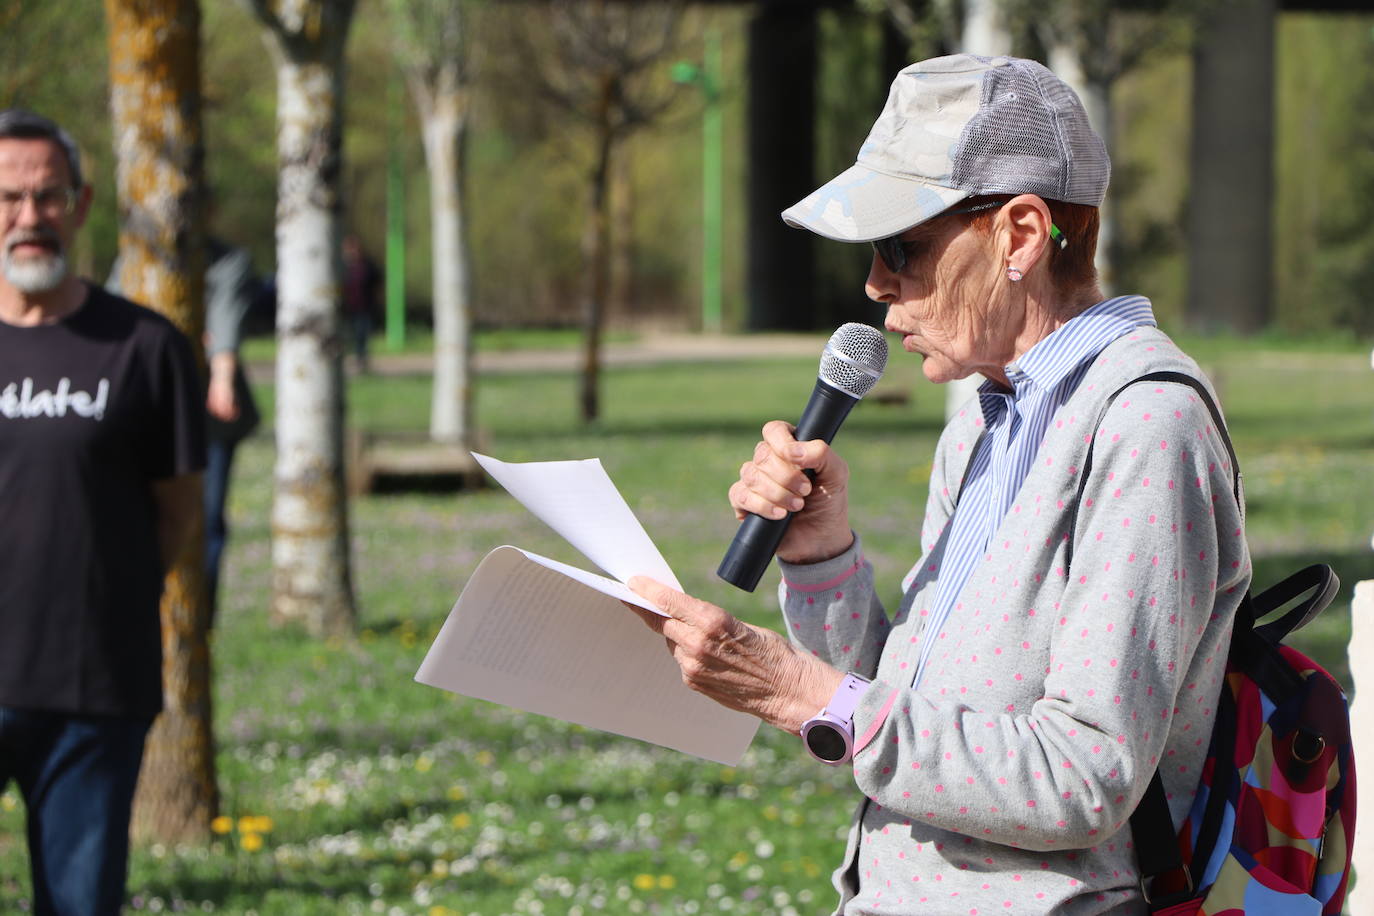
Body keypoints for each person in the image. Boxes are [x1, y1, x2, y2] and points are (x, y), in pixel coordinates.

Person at [627, 55, 1248, 914]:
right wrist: (821, 558)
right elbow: (904, 715)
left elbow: (1082, 777)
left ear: (1021, 236)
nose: (876, 287)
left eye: (901, 248)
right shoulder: (983, 423)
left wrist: (793, 690)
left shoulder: (1145, 427)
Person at [0, 110, 204, 914]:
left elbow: (177, 512)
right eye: (9, 197)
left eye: (48, 197)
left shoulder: (146, 348)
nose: (29, 217)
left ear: (82, 205)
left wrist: (95, 599)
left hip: (93, 690)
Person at [202, 236, 260, 622]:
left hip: (210, 414)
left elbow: (225, 320)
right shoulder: (137, 249)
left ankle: (201, 617)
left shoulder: (228, 260)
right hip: (147, 408)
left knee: (207, 519)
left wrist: (221, 376)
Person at [341, 232, 382, 372]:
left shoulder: (367, 265)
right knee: (347, 336)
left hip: (364, 307)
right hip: (347, 308)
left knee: (361, 335)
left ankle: (361, 362)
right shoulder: (342, 267)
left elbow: (377, 282)